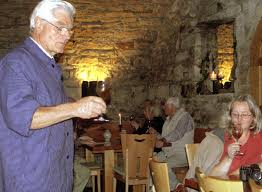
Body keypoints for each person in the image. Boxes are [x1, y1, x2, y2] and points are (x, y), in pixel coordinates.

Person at [0, 1, 106, 191]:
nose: (67, 35)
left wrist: (72, 105)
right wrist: (75, 108)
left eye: (70, 30)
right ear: (39, 23)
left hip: (56, 178)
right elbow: (26, 117)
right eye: (60, 27)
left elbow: (49, 106)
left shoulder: (49, 67)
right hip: (31, 181)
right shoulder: (16, 63)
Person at [209, 94, 262, 176]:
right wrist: (228, 158)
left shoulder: (259, 138)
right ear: (230, 117)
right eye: (235, 114)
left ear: (254, 117)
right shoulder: (218, 139)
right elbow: (209, 178)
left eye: (244, 114)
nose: (239, 119)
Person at [150, 97, 194, 192]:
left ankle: (177, 186)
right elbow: (166, 138)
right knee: (151, 162)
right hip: (168, 153)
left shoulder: (185, 117)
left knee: (163, 165)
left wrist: (163, 140)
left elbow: (178, 133)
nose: (163, 108)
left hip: (182, 154)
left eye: (165, 106)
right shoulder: (168, 119)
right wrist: (156, 134)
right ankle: (153, 189)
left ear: (172, 106)